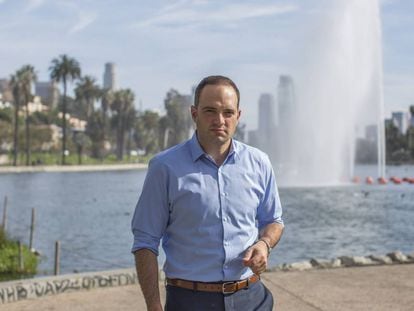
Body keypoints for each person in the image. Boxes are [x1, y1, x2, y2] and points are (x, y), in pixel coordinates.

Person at [131, 75, 284, 311]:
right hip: (190, 301)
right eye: (210, 111)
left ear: (238, 116)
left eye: (228, 112)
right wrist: (154, 305)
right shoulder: (164, 167)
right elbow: (145, 242)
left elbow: (274, 220)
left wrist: (264, 244)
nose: (219, 120)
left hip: (252, 298)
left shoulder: (259, 163)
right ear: (194, 114)